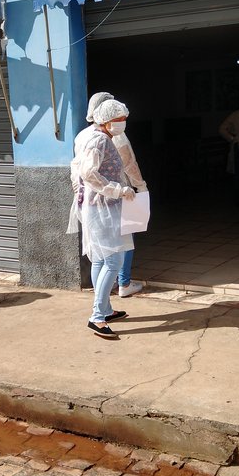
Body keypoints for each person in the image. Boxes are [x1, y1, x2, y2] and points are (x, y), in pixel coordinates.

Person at [68, 98, 137, 338]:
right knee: (113, 261)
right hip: (102, 206)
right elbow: (88, 173)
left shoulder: (99, 137)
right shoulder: (98, 139)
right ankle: (97, 316)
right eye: (119, 119)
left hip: (99, 205)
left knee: (99, 260)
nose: (122, 123)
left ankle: (105, 309)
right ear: (106, 120)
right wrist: (119, 190)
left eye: (124, 119)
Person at [73, 92, 147, 298]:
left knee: (98, 256)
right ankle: (121, 285)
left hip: (89, 200)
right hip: (111, 201)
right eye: (118, 116)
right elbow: (128, 164)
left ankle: (103, 304)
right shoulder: (109, 137)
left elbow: (77, 170)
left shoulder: (82, 136)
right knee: (120, 247)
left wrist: (80, 195)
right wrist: (137, 187)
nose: (121, 120)